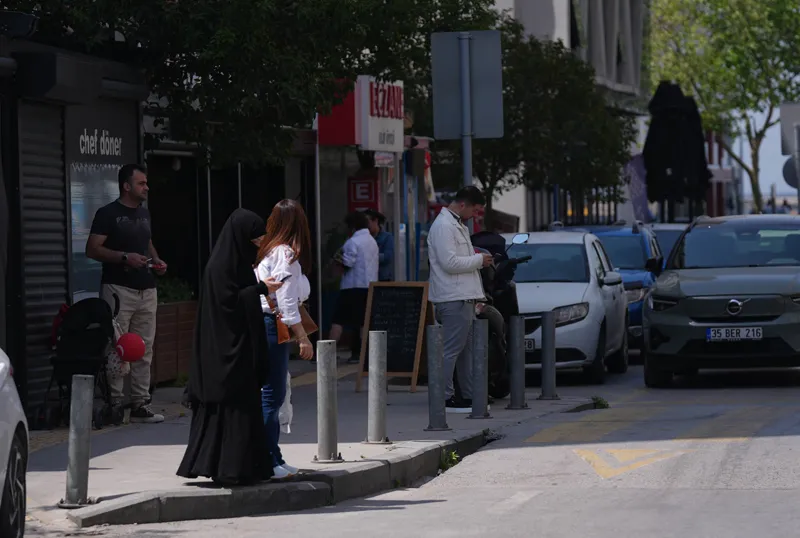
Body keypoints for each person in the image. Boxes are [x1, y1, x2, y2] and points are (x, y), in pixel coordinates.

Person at [177, 209, 283, 486]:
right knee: (231, 408)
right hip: (224, 354)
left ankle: (241, 468)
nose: (257, 247)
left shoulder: (234, 265)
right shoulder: (220, 269)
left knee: (242, 410)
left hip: (237, 353)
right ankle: (228, 468)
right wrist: (260, 290)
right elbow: (229, 307)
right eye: (255, 241)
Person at [86, 164, 165, 423]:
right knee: (117, 347)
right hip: (118, 288)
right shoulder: (108, 213)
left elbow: (147, 241)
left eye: (146, 183)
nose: (146, 188)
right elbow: (93, 249)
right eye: (141, 183)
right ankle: (116, 403)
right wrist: (123, 257)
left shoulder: (144, 214)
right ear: (126, 186)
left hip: (147, 288)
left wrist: (156, 260)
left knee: (145, 347)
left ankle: (141, 403)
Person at [254, 199, 314, 480]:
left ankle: (274, 456)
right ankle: (269, 459)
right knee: (273, 395)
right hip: (274, 324)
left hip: (268, 323)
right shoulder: (286, 253)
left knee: (273, 394)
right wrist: (303, 337)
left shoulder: (269, 250)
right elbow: (287, 299)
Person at [427, 186, 492, 413]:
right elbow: (449, 263)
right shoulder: (445, 226)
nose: (475, 216)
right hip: (453, 298)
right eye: (474, 210)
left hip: (462, 297)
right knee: (451, 350)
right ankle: (444, 398)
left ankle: (466, 395)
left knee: (464, 351)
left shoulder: (456, 223)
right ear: (463, 205)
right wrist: (478, 260)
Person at [329, 211, 379, 364]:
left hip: (352, 287)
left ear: (352, 226)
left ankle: (327, 353)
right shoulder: (372, 241)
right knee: (363, 321)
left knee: (338, 319)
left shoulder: (352, 242)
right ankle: (362, 353)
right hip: (369, 285)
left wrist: (337, 260)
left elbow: (348, 263)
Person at [364, 209, 394, 282]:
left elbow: (387, 257)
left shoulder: (387, 237)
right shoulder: (363, 237)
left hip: (382, 277)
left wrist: (367, 256)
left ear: (376, 221)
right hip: (366, 279)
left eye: (367, 222)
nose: (366, 226)